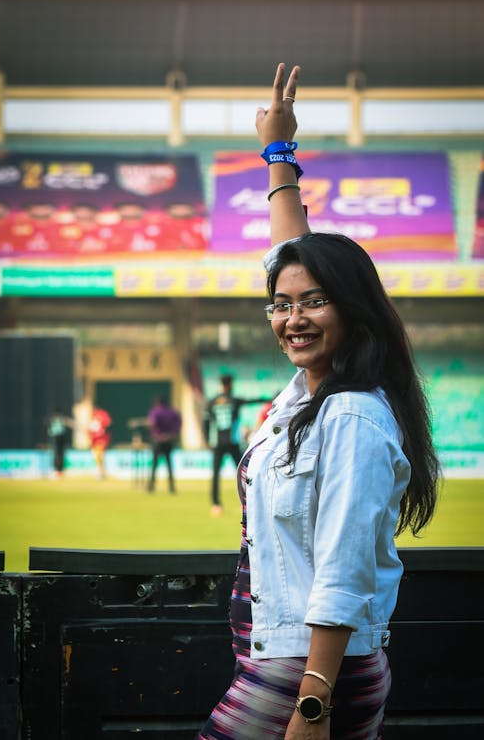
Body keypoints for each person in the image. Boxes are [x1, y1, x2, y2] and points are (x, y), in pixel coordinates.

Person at [197, 63, 440, 740]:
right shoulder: (307, 394)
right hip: (279, 660)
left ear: (351, 309)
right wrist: (278, 154)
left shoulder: (353, 415)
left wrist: (313, 704)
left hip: (305, 674)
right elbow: (291, 251)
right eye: (280, 305)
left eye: (314, 302)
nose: (292, 318)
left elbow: (343, 568)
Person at [205, 374, 268, 517]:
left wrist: (206, 439)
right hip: (232, 442)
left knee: (215, 474)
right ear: (230, 384)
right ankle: (249, 501)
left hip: (217, 443)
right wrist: (269, 399)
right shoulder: (234, 400)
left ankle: (216, 503)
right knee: (243, 473)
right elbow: (251, 401)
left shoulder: (213, 401)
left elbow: (207, 420)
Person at [147, 395, 182, 494]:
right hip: (169, 440)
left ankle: (151, 487)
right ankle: (171, 487)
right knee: (169, 465)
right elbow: (179, 423)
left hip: (158, 440)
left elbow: (152, 423)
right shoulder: (172, 412)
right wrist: (174, 433)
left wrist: (156, 433)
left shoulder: (155, 411)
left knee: (154, 465)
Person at [45, 407, 74, 477]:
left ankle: (58, 471)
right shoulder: (61, 419)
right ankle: (57, 471)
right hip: (58, 438)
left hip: (58, 438)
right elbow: (71, 424)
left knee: (58, 455)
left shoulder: (52, 419)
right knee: (58, 455)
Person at [88, 405, 112, 479]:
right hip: (95, 441)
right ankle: (100, 472)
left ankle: (101, 473)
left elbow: (108, 423)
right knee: (97, 457)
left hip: (100, 440)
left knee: (99, 456)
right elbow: (91, 431)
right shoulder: (93, 418)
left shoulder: (102, 416)